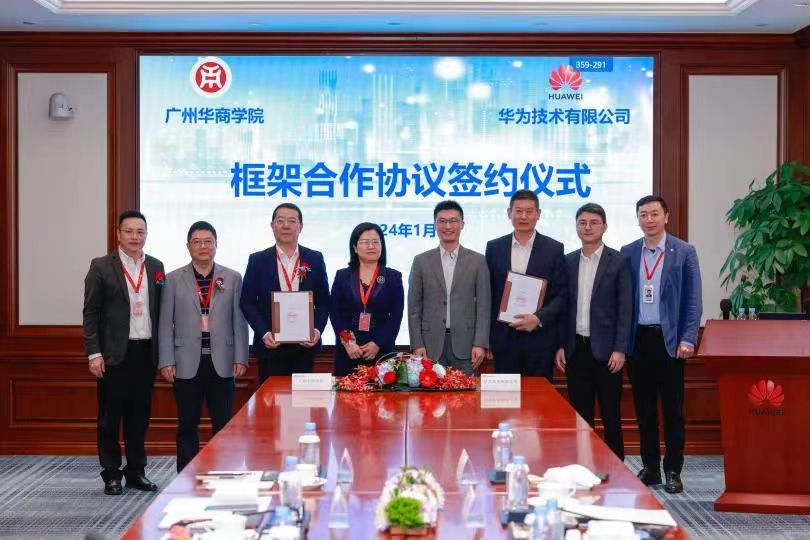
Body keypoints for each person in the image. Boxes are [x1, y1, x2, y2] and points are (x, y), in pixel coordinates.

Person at [621, 195, 702, 494]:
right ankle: (651, 466)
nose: (649, 219)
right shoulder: (628, 252)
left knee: (672, 410)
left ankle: (673, 470)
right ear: (638, 219)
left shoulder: (684, 251)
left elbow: (693, 300)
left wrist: (688, 337)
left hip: (670, 342)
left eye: (655, 214)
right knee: (644, 409)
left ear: (666, 217)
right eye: (643, 214)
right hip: (638, 340)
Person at [82, 210, 164, 495]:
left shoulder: (156, 266)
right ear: (118, 234)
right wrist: (94, 353)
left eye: (140, 232)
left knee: (139, 416)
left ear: (146, 235)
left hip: (145, 352)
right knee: (110, 417)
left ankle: (136, 471)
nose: (135, 237)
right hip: (114, 354)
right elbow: (90, 313)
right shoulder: (101, 266)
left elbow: (160, 311)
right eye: (129, 231)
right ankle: (112, 473)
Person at [158, 221, 248, 472]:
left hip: (223, 360)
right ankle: (186, 474)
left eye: (208, 241)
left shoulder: (232, 278)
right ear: (188, 246)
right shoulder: (173, 279)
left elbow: (239, 321)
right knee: (187, 424)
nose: (203, 246)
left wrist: (241, 356)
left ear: (216, 245)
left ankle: (223, 471)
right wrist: (166, 360)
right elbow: (165, 323)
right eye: (197, 242)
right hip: (185, 361)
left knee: (223, 422)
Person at [556, 203, 632, 460]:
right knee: (580, 415)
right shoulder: (568, 261)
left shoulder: (619, 261)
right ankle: (583, 465)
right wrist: (561, 345)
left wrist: (620, 349)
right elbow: (563, 307)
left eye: (594, 222)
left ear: (605, 227)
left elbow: (626, 308)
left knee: (611, 415)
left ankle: (616, 467)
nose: (587, 227)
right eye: (582, 223)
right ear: (576, 227)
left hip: (608, 352)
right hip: (576, 349)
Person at [240, 203, 330, 382]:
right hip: (270, 347)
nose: (286, 226)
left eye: (292, 221)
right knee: (271, 398)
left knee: (303, 399)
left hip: (305, 347)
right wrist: (264, 333)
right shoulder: (258, 260)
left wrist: (317, 331)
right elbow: (247, 302)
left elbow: (325, 302)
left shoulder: (315, 258)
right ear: (272, 225)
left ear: (300, 226)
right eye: (280, 221)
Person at [485, 190, 568, 379]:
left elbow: (561, 295)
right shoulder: (494, 247)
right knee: (506, 395)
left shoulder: (554, 248)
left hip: (540, 339)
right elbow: (488, 294)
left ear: (538, 214)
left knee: (538, 395)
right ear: (509, 213)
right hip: (503, 339)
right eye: (518, 211)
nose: (523, 216)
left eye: (529, 211)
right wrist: (485, 339)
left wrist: (538, 318)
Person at [408, 200, 490, 374]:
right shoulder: (421, 261)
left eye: (453, 221)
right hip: (429, 345)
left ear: (462, 224)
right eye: (442, 221)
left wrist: (480, 343)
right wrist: (417, 343)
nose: (447, 226)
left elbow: (484, 307)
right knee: (430, 392)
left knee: (466, 391)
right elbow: (414, 308)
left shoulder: (477, 261)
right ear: (435, 225)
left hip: (467, 345)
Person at [330, 223, 404, 376]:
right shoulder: (342, 276)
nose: (371, 246)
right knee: (346, 390)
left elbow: (396, 316)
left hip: (381, 349)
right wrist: (348, 342)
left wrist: (378, 343)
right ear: (355, 248)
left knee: (382, 391)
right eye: (365, 242)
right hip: (349, 350)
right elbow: (335, 313)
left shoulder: (393, 277)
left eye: (376, 242)